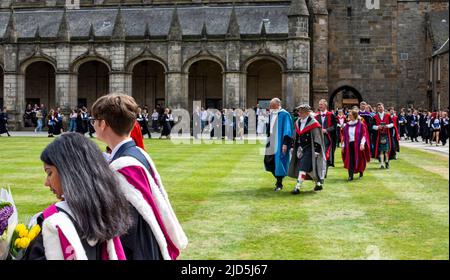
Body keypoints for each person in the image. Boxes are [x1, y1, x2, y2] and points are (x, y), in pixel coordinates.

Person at [91, 93, 188, 260]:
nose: (92, 124)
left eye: (93, 120)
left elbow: (123, 225)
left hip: (138, 250)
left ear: (103, 124)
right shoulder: (137, 153)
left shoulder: (122, 166)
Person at [24, 133, 132, 260]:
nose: (46, 182)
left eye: (49, 173)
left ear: (67, 172)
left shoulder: (52, 221)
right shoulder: (109, 212)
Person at [288, 104, 326, 194]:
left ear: (307, 112)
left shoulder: (314, 123)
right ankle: (318, 184)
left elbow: (317, 138)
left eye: (301, 111)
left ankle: (297, 187)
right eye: (299, 111)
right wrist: (293, 146)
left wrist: (316, 151)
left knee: (303, 167)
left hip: (310, 149)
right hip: (300, 149)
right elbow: (295, 136)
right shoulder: (298, 122)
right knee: (308, 168)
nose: (299, 113)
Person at [264, 98, 293, 191]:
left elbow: (287, 130)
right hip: (271, 140)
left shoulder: (285, 114)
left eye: (272, 105)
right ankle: (278, 178)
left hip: (280, 141)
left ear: (277, 105)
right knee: (268, 161)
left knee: (278, 162)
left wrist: (285, 144)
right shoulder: (272, 113)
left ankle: (279, 183)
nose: (270, 107)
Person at [341, 109, 371, 181]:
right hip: (349, 145)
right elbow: (344, 136)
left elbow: (364, 134)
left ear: (355, 116)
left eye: (350, 115)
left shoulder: (361, 124)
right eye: (349, 115)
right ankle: (350, 176)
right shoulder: (347, 125)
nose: (349, 116)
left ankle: (361, 172)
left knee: (359, 158)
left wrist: (362, 144)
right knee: (350, 159)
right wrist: (343, 146)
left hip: (358, 144)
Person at [315, 99, 337, 172]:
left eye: (321, 104)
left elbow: (335, 126)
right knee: (318, 154)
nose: (320, 106)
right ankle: (319, 170)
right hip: (318, 137)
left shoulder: (331, 115)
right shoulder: (316, 115)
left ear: (325, 106)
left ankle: (325, 171)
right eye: (319, 104)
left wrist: (326, 130)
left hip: (328, 138)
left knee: (326, 154)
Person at [372, 103, 394, 169]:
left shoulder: (388, 115)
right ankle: (382, 164)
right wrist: (378, 127)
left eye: (381, 107)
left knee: (386, 150)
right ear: (377, 109)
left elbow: (392, 124)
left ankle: (386, 162)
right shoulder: (375, 117)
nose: (380, 108)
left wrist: (387, 126)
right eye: (378, 107)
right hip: (379, 136)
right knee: (381, 150)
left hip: (387, 135)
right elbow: (372, 126)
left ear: (383, 107)